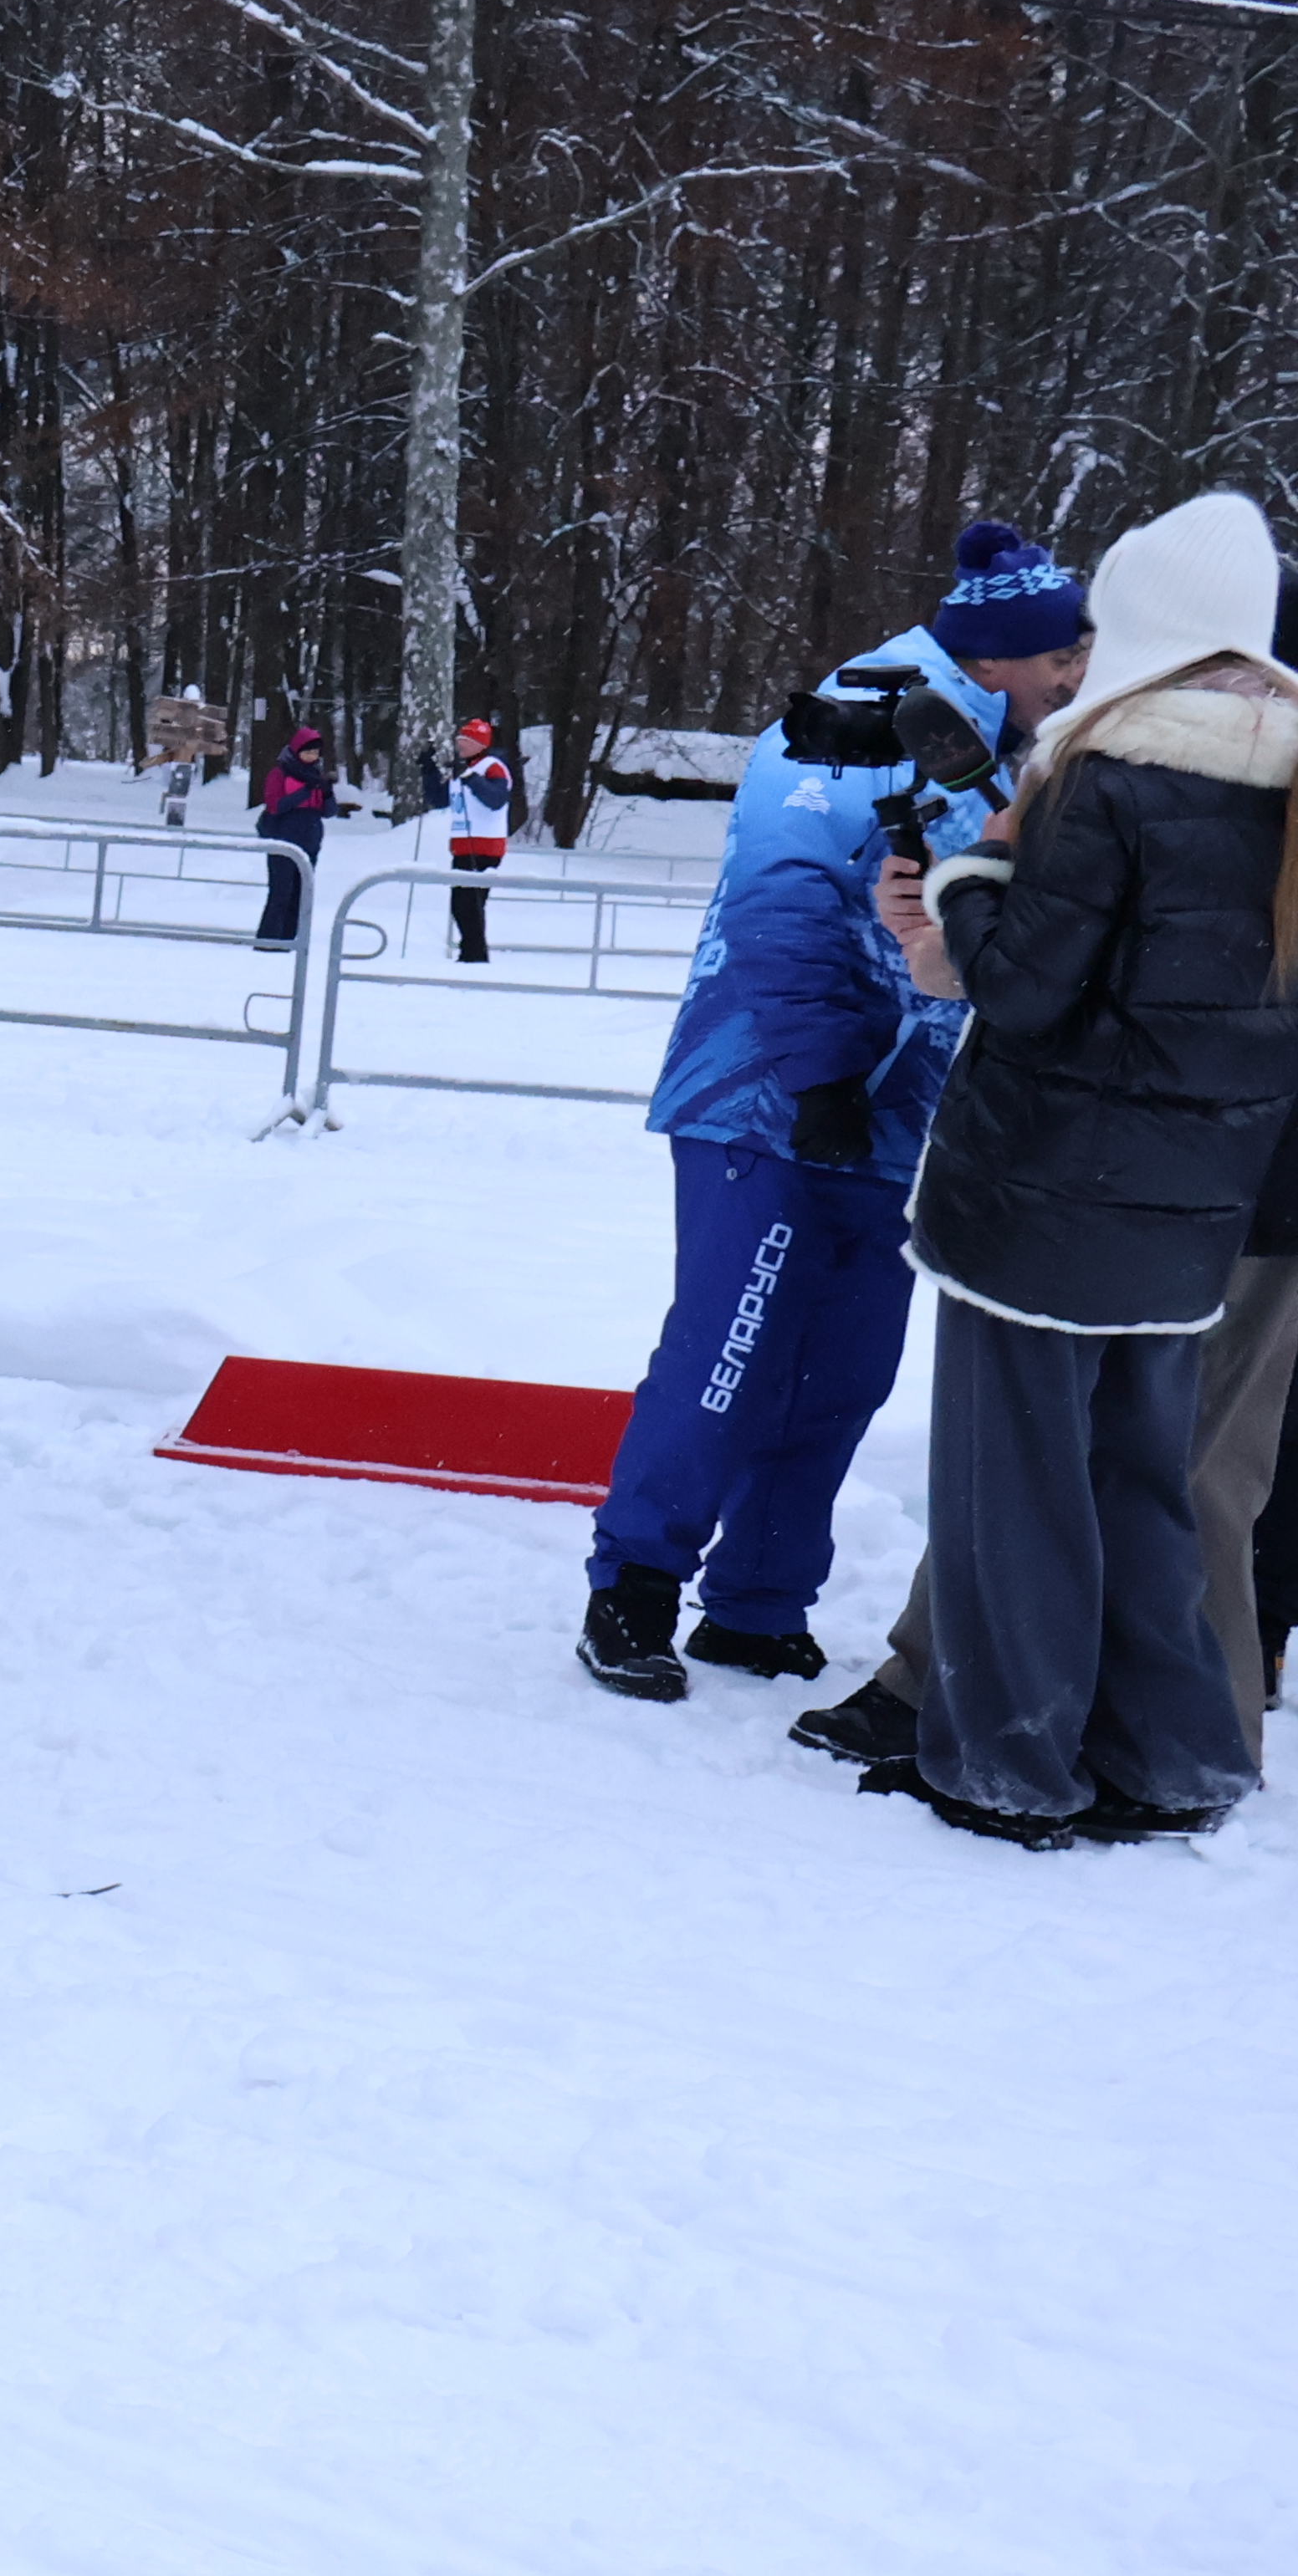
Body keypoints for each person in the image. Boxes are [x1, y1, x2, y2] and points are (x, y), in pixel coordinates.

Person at [848, 492, 1295, 1846]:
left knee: (1015, 1483)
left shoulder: (1111, 769)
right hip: (1195, 1208)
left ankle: (1007, 1760)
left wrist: (977, 881)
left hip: (1042, 1199)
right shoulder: (1285, 777)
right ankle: (1172, 1755)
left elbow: (1030, 989)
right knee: (1142, 1483)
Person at [575, 522, 1086, 1700]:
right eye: (1068, 653)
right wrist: (814, 1082)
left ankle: (758, 1601)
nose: (1080, 674)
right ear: (1006, 654)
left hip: (903, 1107)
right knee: (731, 1344)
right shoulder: (855, 719)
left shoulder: (1003, 747)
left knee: (846, 1363)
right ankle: (635, 1589)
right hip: (763, 1098)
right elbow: (783, 904)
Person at [251, 724, 336, 949]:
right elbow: (275, 806)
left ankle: (290, 943)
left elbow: (329, 812)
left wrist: (326, 793)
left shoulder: (317, 776)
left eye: (316, 753)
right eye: (308, 752)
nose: (312, 757)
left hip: (310, 841)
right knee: (281, 892)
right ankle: (267, 942)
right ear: (297, 750)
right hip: (283, 840)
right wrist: (305, 792)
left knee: (300, 894)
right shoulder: (280, 773)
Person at [441, 716, 515, 962]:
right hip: (463, 846)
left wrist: (471, 778)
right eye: (459, 740)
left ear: (479, 744)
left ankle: (474, 955)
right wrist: (429, 772)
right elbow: (441, 799)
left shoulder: (492, 766)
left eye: (466, 741)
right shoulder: (466, 769)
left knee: (469, 904)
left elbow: (496, 800)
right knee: (461, 905)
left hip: (484, 845)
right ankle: (471, 952)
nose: (460, 745)